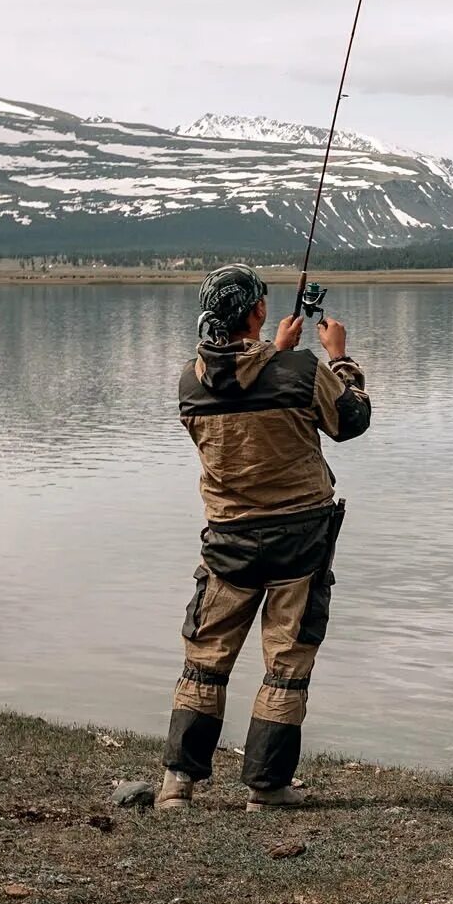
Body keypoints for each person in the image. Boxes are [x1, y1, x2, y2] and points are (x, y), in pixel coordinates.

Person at [156, 262, 371, 811]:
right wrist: (338, 357)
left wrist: (273, 353)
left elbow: (242, 386)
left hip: (227, 539)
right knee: (287, 662)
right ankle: (266, 787)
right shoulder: (300, 372)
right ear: (257, 311)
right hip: (299, 540)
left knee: (205, 656)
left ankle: (179, 784)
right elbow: (352, 421)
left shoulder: (189, 381)